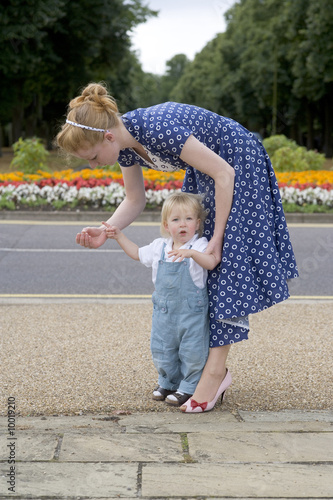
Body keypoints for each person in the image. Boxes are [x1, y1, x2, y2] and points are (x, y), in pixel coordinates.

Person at [56, 82, 298, 413]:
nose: (96, 164)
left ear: (107, 137)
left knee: (222, 261)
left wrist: (218, 236)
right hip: (208, 172)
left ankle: (214, 374)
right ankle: (208, 370)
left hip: (237, 165)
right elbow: (134, 199)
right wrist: (106, 229)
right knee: (199, 265)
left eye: (94, 157)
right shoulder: (125, 145)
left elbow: (225, 173)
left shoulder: (156, 128)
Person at [103, 192, 217, 407]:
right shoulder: (160, 247)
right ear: (166, 225)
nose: (183, 225)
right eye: (176, 220)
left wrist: (191, 254)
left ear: (198, 222)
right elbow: (137, 253)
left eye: (188, 219)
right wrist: (119, 236)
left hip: (191, 313)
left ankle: (189, 386)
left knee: (192, 350)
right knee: (163, 348)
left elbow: (211, 263)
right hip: (164, 313)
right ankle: (167, 381)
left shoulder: (199, 245)